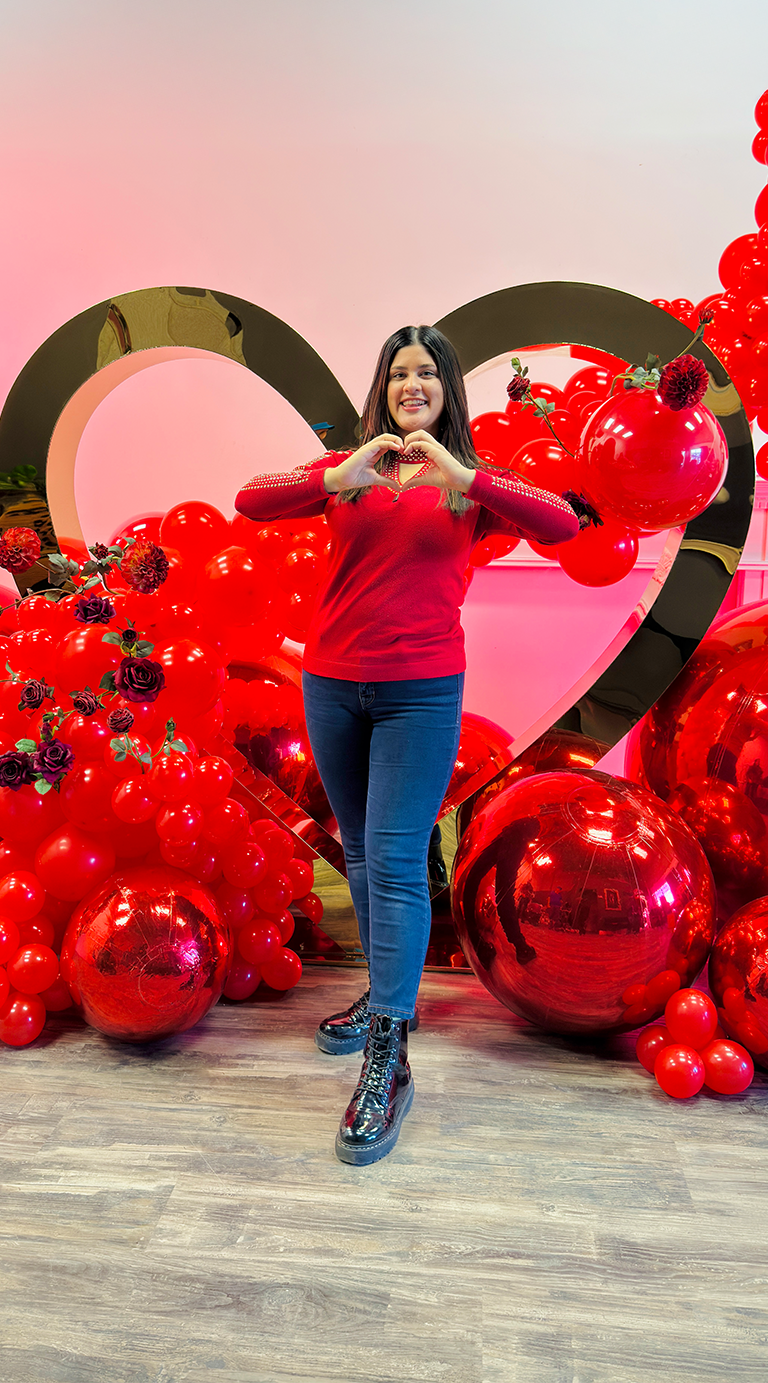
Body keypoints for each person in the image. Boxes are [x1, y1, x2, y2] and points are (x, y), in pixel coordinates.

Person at [235, 324, 581, 1164]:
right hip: (331, 683)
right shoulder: (350, 472)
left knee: (392, 857)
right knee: (359, 849)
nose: (411, 384)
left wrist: (464, 473)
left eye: (426, 372)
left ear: (446, 388)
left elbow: (563, 524)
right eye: (398, 373)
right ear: (382, 388)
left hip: (420, 691)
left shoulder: (471, 486)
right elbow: (251, 497)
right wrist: (339, 470)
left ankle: (389, 1052)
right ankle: (389, 995)